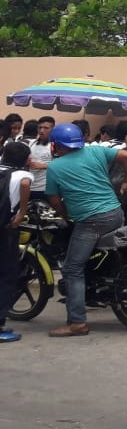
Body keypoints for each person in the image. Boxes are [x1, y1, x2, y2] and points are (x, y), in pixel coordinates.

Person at [44, 123, 127, 337]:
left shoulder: (55, 168)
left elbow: (55, 200)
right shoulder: (96, 150)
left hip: (91, 221)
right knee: (118, 249)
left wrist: (66, 215)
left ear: (56, 145)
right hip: (115, 212)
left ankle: (77, 323)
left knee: (72, 268)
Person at [0, 142, 32, 343]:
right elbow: (25, 185)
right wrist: (21, 212)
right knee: (6, 275)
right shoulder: (22, 175)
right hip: (5, 231)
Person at [27, 115, 55, 200]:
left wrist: (44, 166)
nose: (42, 131)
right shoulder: (31, 143)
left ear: (53, 129)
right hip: (29, 186)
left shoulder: (55, 146)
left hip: (44, 188)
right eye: (40, 128)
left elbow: (62, 166)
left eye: (46, 128)